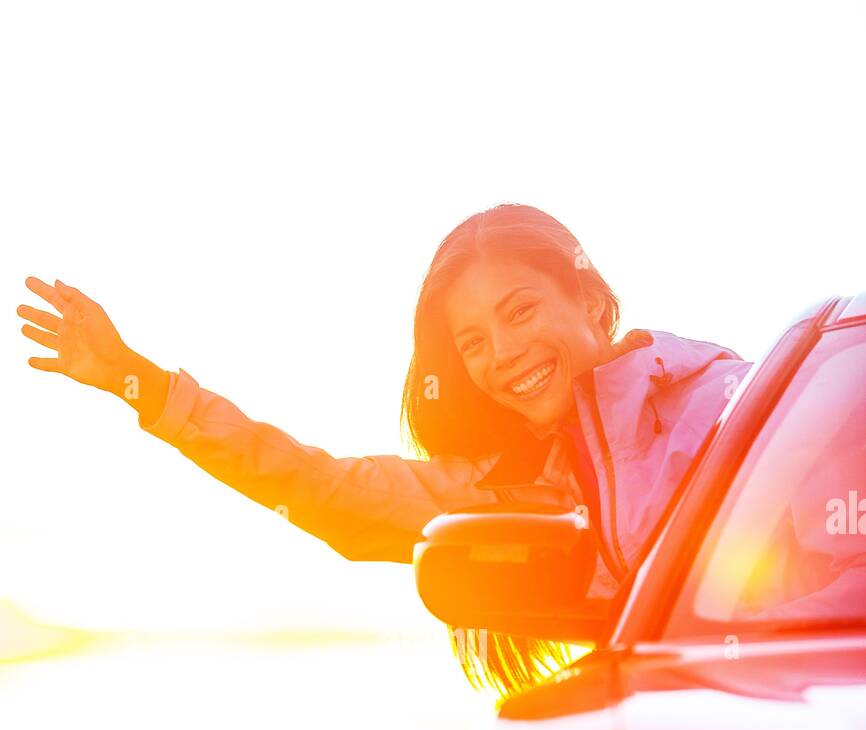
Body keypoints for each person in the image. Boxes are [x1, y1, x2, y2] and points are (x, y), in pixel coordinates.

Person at [17, 203, 753, 695]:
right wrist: (134, 381)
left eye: (521, 311)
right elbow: (321, 488)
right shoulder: (512, 486)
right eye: (473, 343)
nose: (503, 354)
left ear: (590, 301)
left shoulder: (736, 404)